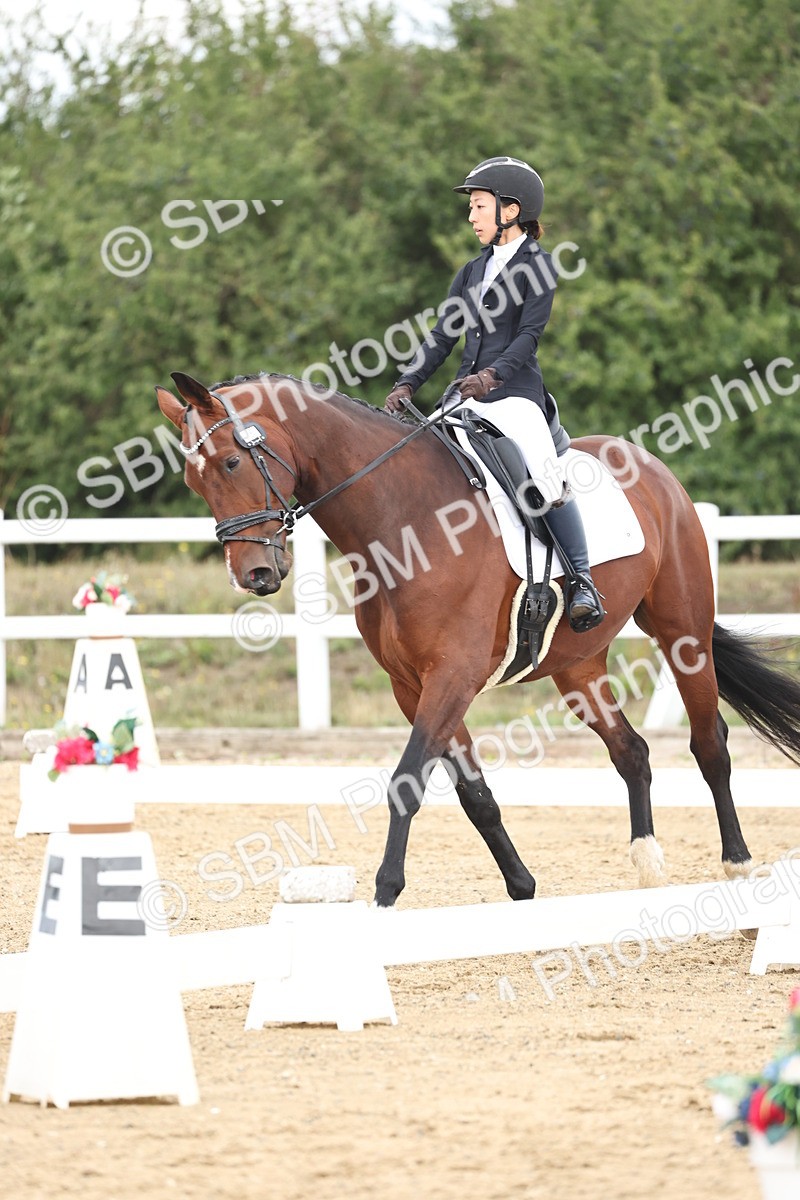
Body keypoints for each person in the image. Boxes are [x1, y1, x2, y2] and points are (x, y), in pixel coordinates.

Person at [385, 155, 604, 632]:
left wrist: (493, 377)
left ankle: (583, 580)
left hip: (516, 395)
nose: (471, 217)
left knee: (545, 478)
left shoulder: (537, 266)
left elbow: (529, 336)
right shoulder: (469, 272)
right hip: (465, 394)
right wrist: (408, 382)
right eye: (473, 208)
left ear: (511, 209)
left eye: (480, 206)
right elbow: (442, 337)